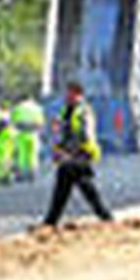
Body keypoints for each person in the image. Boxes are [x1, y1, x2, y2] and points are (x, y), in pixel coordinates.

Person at [41, 81, 113, 228]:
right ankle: (51, 221)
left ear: (79, 95)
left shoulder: (83, 111)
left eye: (70, 94)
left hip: (83, 152)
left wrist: (72, 153)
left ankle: (51, 221)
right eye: (67, 94)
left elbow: (85, 135)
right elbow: (65, 133)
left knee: (78, 185)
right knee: (73, 184)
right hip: (71, 155)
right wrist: (59, 147)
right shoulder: (67, 111)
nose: (67, 97)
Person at [11, 99, 46, 182]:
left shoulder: (18, 108)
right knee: (33, 154)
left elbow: (14, 121)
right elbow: (41, 122)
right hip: (33, 134)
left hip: (21, 134)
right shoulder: (37, 108)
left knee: (22, 154)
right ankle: (32, 172)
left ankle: (21, 173)